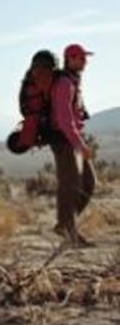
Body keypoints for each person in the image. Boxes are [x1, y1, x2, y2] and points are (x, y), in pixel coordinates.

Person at [50, 43, 97, 246]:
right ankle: (69, 230)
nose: (85, 61)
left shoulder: (73, 81)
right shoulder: (64, 84)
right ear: (70, 59)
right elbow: (63, 120)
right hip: (64, 141)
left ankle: (65, 224)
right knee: (71, 186)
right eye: (81, 58)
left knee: (88, 182)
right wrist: (80, 144)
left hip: (72, 139)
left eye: (84, 57)